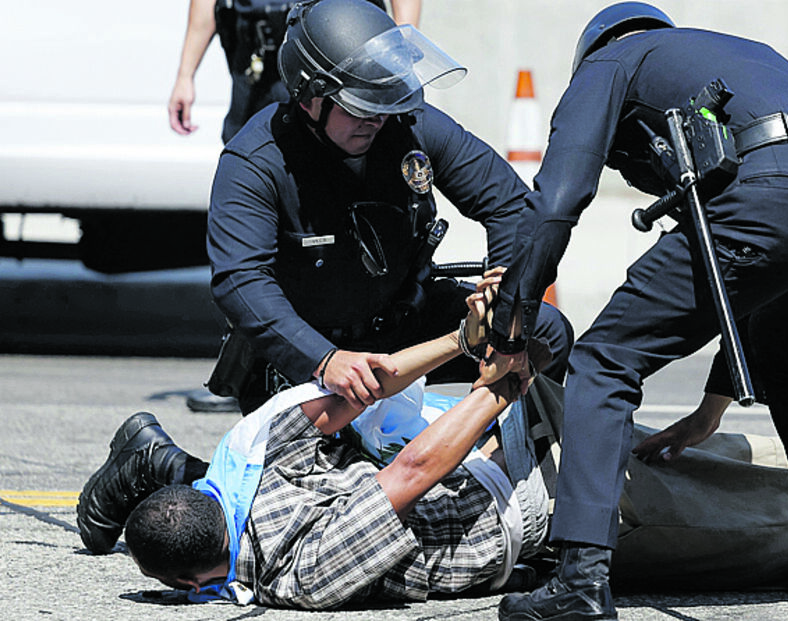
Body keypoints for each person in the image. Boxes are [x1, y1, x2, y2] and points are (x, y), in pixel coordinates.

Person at [480, 3, 788, 618]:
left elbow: (557, 201)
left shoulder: (611, 62)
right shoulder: (734, 57)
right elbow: (747, 284)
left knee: (605, 360)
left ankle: (580, 577)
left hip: (779, 192)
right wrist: (711, 407)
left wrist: (511, 321)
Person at [77, 271, 559, 608]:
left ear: (188, 583)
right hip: (495, 481)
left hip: (492, 484)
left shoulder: (296, 574)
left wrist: (480, 351)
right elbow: (386, 426)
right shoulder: (253, 470)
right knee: (587, 385)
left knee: (590, 403)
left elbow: (383, 426)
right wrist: (496, 364)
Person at [206, 0, 572, 415]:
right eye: (361, 106)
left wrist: (506, 313)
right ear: (310, 97)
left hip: (403, 325)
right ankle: (158, 459)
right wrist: (323, 361)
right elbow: (240, 280)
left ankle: (501, 466)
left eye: (385, 101)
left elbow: (510, 205)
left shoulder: (406, 123)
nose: (377, 119)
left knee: (545, 333)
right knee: (339, 476)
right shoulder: (254, 161)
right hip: (310, 354)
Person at [168, 0, 423, 144]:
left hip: (335, 58)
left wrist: (398, 56)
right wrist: (185, 76)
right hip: (258, 62)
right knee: (250, 156)